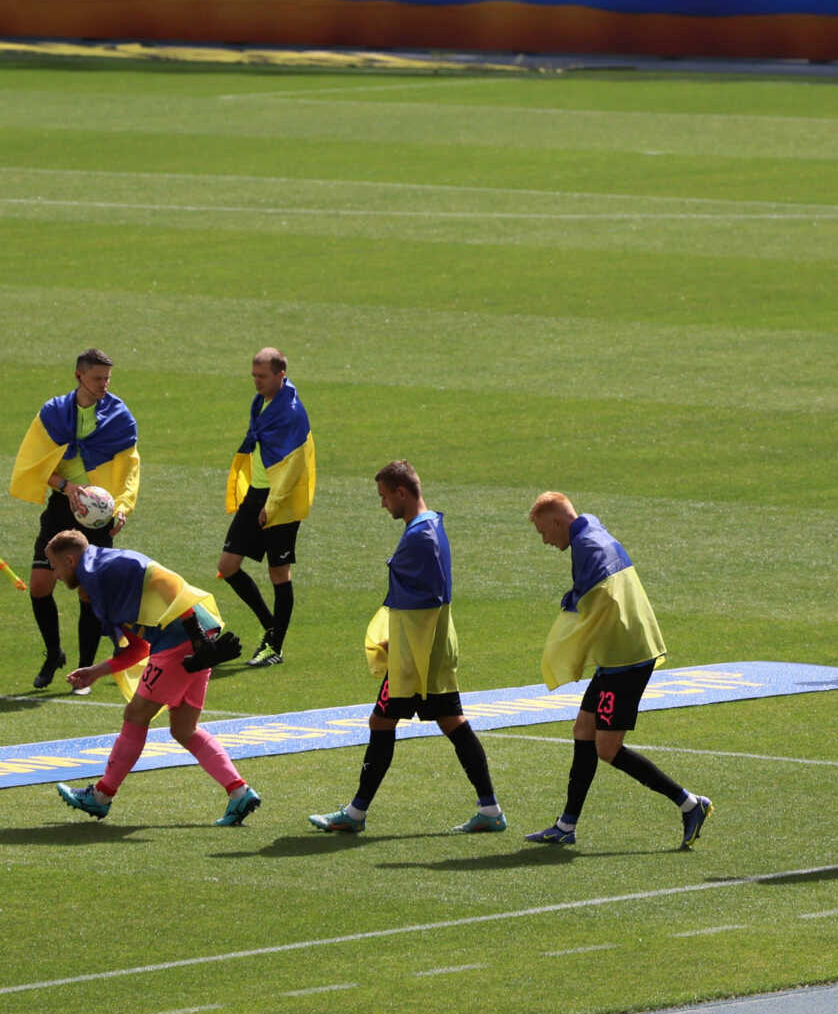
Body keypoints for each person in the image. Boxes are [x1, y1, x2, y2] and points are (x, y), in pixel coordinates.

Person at [307, 460, 505, 835]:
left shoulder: (420, 536)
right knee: (452, 722)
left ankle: (355, 814)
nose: (382, 505)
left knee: (382, 722)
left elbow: (426, 600)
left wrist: (398, 643)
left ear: (402, 492)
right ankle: (490, 808)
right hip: (428, 649)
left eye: (384, 496)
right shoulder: (429, 526)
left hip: (416, 655)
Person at [523, 492, 712, 849]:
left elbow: (599, 591)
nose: (545, 540)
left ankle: (690, 804)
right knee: (583, 728)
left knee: (608, 748)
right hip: (617, 655)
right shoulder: (588, 530)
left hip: (627, 660)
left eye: (543, 531)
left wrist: (573, 602)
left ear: (557, 522)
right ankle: (566, 825)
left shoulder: (588, 547)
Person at [44, 530, 261, 826]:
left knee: (135, 715)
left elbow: (166, 581)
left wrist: (195, 635)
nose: (54, 576)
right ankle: (240, 793)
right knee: (184, 729)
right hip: (195, 640)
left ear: (70, 560)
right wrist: (96, 671)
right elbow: (138, 647)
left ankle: (101, 797)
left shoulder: (108, 567)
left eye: (54, 567)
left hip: (185, 641)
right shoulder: (97, 582)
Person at [9, 349, 142, 691]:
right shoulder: (53, 414)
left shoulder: (119, 415)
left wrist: (123, 506)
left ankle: (84, 670)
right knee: (40, 585)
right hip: (60, 508)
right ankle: (54, 653)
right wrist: (67, 487)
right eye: (98, 378)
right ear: (79, 376)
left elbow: (130, 467)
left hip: (99, 517)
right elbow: (35, 464)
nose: (104, 385)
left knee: (88, 591)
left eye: (108, 378)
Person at [217, 346, 316, 668]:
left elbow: (293, 469)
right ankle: (272, 627)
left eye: (262, 376)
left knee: (278, 571)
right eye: (254, 376)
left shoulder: (291, 413)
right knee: (228, 565)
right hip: (257, 494)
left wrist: (271, 506)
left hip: (280, 502)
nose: (256, 382)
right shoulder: (262, 401)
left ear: (280, 375)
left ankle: (274, 645)